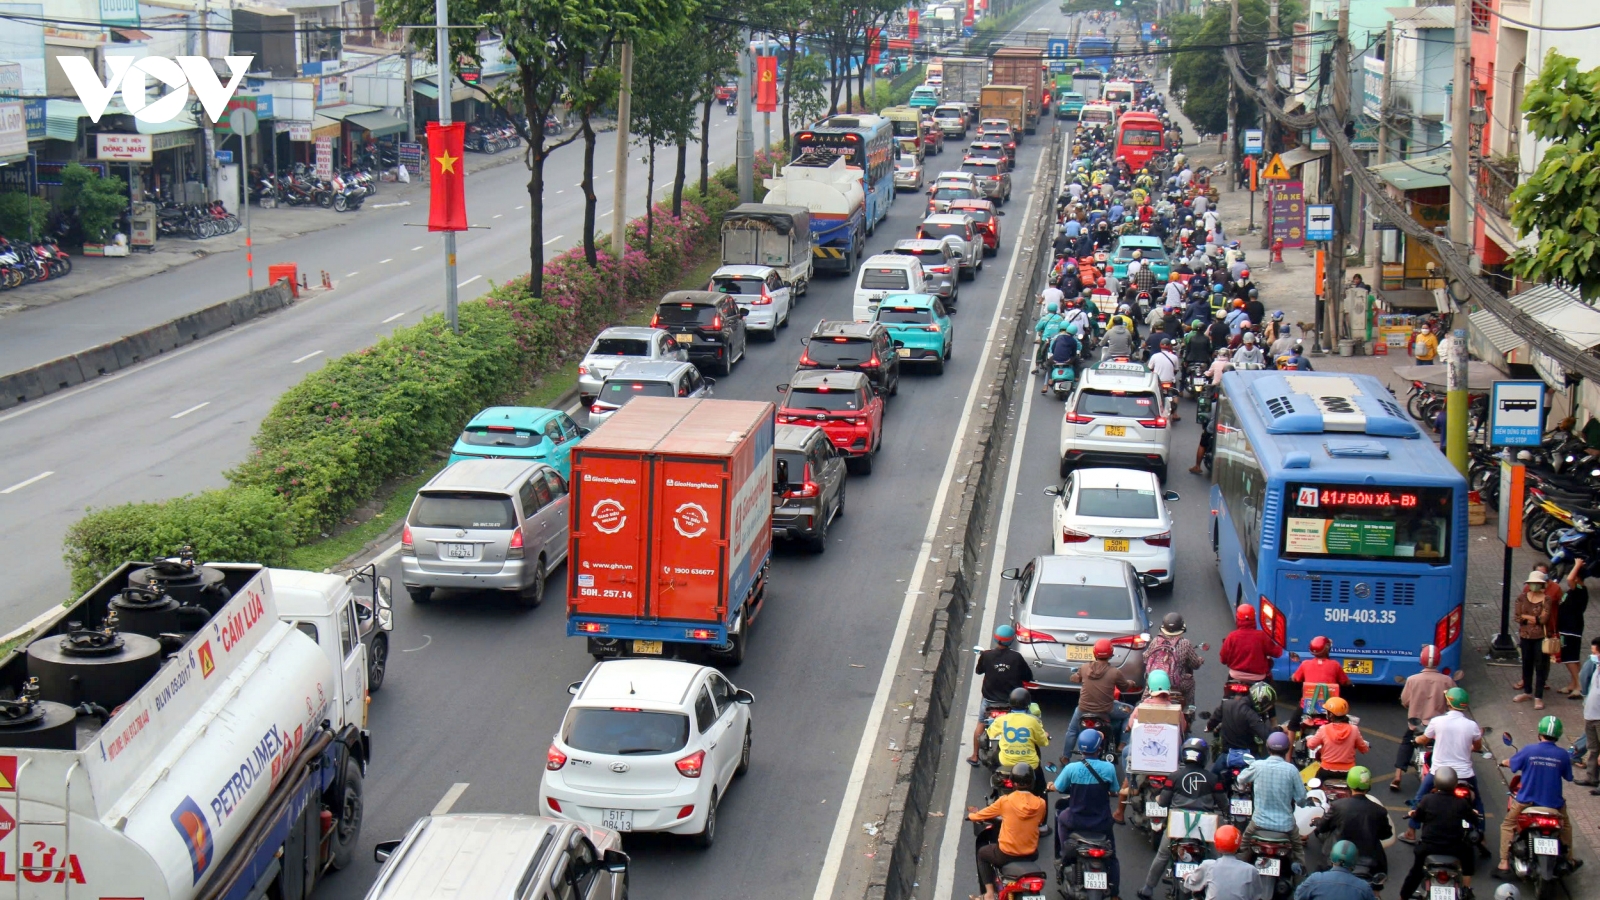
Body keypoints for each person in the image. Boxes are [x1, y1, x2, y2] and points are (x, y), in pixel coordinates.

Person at [1136, 738, 1226, 900]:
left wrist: (1157, 799)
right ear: (1204, 756)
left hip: (1177, 827)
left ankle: (1148, 888)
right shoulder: (1213, 779)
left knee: (1163, 855)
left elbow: (1163, 802)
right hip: (1204, 829)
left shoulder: (1175, 776)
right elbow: (1223, 804)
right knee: (1215, 860)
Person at [1496, 716, 1581, 878]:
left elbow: (1512, 763)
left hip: (1526, 801)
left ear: (1539, 733)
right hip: (1554, 804)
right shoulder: (1562, 754)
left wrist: (1505, 762)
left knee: (1508, 824)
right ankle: (1569, 858)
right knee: (1566, 827)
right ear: (1558, 735)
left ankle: (1504, 862)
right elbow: (1568, 777)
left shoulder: (1529, 750)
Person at [1403, 686, 1486, 840]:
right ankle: (1482, 835)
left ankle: (1411, 832)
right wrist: (1471, 747)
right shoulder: (1472, 725)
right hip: (1465, 775)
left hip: (1439, 773)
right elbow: (1477, 746)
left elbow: (1424, 739)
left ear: (1448, 702)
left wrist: (1416, 740)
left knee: (1419, 798)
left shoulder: (1437, 721)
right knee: (1478, 802)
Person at [1054, 731, 1122, 897]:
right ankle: (1114, 893)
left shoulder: (1071, 768)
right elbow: (1114, 790)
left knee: (1060, 818)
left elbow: (1059, 787)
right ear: (1099, 748)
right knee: (1112, 856)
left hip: (1075, 820)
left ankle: (1063, 853)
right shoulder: (1108, 768)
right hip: (1102, 822)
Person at [968, 762, 1047, 900]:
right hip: (1031, 854)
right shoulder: (1041, 803)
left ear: (1013, 783)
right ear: (1032, 783)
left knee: (982, 853)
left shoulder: (1005, 801)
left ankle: (989, 894)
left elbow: (982, 814)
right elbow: (1039, 821)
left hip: (1007, 854)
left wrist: (971, 816)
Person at [1400, 766, 1479, 899]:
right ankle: (1466, 889)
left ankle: (1403, 897)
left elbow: (1418, 818)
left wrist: (1413, 814)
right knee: (1468, 857)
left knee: (1416, 872)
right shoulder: (1461, 803)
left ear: (1436, 783)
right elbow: (1474, 821)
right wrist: (1474, 814)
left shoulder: (1427, 799)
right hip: (1455, 847)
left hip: (1428, 847)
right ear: (1454, 783)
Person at [1389, 644, 1456, 791]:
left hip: (1417, 725)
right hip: (1439, 726)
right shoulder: (1447, 681)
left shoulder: (1412, 680)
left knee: (1406, 743)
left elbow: (1405, 701)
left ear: (1421, 660)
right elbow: (1453, 702)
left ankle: (1397, 776)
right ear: (1439, 661)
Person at [1237, 731, 1307, 870]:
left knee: (1243, 846)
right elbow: (1301, 800)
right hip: (1286, 825)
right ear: (1287, 750)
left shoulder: (1258, 766)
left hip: (1258, 823)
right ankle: (1300, 874)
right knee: (1298, 850)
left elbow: (1240, 779)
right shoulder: (1291, 770)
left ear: (1268, 749)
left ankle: (1239, 870)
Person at [970, 626, 1034, 766]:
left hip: (989, 702)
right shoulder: (1016, 657)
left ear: (996, 638)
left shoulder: (986, 655)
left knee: (981, 724)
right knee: (1029, 722)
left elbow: (979, 671)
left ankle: (975, 755)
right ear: (1011, 641)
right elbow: (1028, 676)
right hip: (1012, 703)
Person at [1065, 639, 1138, 759]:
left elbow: (1075, 678)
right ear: (1111, 653)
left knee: (1072, 731)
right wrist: (1131, 683)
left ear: (1094, 652)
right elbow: (1124, 687)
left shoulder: (1084, 668)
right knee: (1131, 712)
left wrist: (1075, 676)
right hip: (1106, 710)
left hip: (1083, 709)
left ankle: (1065, 756)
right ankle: (1122, 744)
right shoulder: (1115, 672)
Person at [1313, 767, 1393, 878]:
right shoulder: (1379, 810)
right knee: (1376, 889)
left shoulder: (1338, 806)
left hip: (1337, 859)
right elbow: (1386, 834)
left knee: (1318, 878)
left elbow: (1322, 828)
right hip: (1369, 863)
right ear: (1368, 785)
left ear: (1349, 784)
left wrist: (1317, 822)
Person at [1210, 681, 1281, 776]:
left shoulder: (1227, 705)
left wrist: (1209, 727)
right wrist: (1279, 729)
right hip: (1250, 755)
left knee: (1213, 777)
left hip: (1227, 755)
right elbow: (1266, 734)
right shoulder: (1252, 715)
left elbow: (1214, 719)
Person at [1513, 569, 1560, 709]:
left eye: (1537, 583)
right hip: (1525, 636)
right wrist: (1533, 619)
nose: (1534, 586)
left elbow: (1543, 619)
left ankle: (1538, 696)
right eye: (1532, 583)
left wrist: (1527, 618)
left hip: (1541, 637)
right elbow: (1517, 617)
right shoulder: (1521, 597)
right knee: (1526, 664)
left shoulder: (1547, 599)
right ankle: (1527, 691)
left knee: (1541, 666)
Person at [1182, 825, 1268, 900]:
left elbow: (1192, 882)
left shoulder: (1208, 866)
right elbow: (1256, 895)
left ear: (1216, 844)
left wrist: (1186, 876)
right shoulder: (1251, 870)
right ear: (1238, 844)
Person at [1145, 612, 1205, 707]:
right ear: (1181, 628)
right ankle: (1189, 711)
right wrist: (1200, 660)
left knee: (1143, 701)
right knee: (1191, 683)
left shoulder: (1155, 641)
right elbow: (1195, 664)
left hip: (1155, 682)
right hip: (1177, 684)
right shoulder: (1185, 643)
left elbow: (1145, 658)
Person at [988, 687, 1051, 776]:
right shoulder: (1033, 721)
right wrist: (1045, 735)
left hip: (1005, 761)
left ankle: (995, 782)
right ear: (1028, 704)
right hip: (1030, 764)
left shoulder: (1001, 720)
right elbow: (1042, 742)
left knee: (993, 762)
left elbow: (990, 734)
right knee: (1040, 784)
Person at [1295, 840, 1377, 900]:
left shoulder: (1315, 879)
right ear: (1354, 861)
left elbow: (1297, 896)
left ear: (1332, 857)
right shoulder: (1363, 887)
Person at [1220, 604, 1281, 683]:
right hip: (1258, 678)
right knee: (1271, 691)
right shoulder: (1262, 636)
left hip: (1235, 676)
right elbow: (1277, 652)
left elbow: (1223, 658)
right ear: (1254, 619)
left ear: (1237, 619)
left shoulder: (1232, 636)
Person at [1556, 561, 1588, 698]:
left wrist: (1577, 563)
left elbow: (1569, 579)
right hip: (1566, 627)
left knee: (1569, 658)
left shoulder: (1580, 589)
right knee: (1573, 657)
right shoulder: (1573, 591)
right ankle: (1572, 683)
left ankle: (1579, 685)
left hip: (1571, 628)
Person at [1576, 636, 1600, 792]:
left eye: (1595, 651)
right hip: (1591, 714)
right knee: (1593, 749)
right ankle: (1591, 777)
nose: (1593, 654)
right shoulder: (1596, 666)